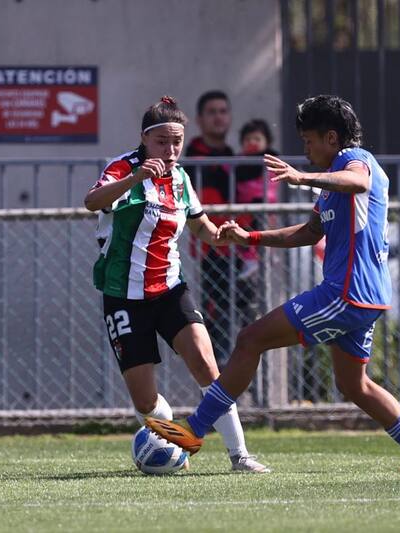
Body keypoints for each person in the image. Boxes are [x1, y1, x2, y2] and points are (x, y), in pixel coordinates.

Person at [148, 95, 400, 472]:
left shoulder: (353, 162)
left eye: (308, 141)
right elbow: (310, 232)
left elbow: (357, 181)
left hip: (345, 292)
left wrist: (301, 177)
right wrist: (250, 238)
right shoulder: (333, 183)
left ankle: (194, 429)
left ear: (331, 137)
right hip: (362, 296)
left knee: (250, 338)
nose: (305, 151)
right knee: (355, 385)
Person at [84, 95, 270, 473]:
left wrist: (225, 234)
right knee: (144, 399)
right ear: (144, 139)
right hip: (124, 296)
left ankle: (240, 456)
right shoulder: (123, 168)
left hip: (170, 288)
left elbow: (201, 226)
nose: (170, 150)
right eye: (161, 142)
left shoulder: (181, 178)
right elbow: (91, 201)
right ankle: (169, 446)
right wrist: (134, 179)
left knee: (206, 362)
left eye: (177, 142)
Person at [183, 90, 240, 364]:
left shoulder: (230, 154)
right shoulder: (194, 157)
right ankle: (219, 381)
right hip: (210, 250)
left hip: (237, 247)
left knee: (240, 313)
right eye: (212, 112)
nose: (219, 117)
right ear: (199, 119)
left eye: (223, 111)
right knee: (215, 314)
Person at [235, 119, 279, 281]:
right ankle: (250, 259)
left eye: (257, 139)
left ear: (267, 142)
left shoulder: (271, 160)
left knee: (266, 231)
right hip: (244, 207)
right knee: (247, 232)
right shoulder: (238, 163)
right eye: (247, 139)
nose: (252, 143)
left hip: (264, 204)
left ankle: (268, 254)